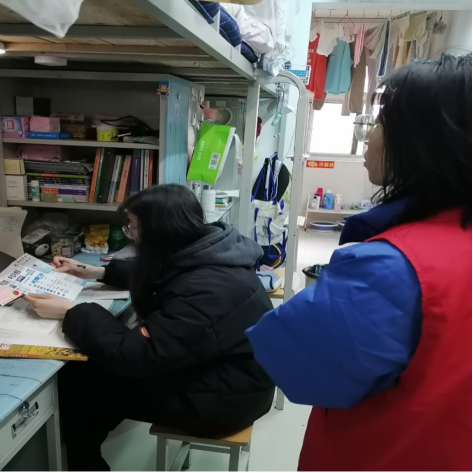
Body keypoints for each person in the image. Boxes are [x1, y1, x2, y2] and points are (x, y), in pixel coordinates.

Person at [247, 54, 472, 473]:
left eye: (380, 123)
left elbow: (293, 364)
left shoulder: (390, 266)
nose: (369, 138)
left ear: (424, 141)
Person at [25, 184, 275, 472]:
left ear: (159, 230)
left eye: (132, 227)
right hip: (227, 377)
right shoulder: (212, 250)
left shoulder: (205, 290)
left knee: (81, 377)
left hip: (220, 402)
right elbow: (167, 272)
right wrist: (98, 272)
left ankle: (85, 463)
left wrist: (71, 312)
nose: (131, 234)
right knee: (95, 367)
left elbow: (137, 355)